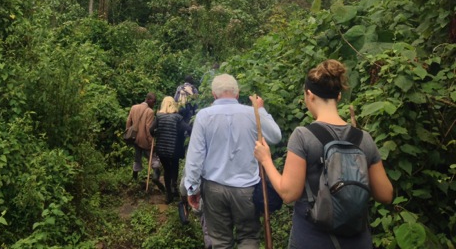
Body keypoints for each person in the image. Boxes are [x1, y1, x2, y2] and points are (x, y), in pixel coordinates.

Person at [254, 59, 394, 249]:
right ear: (338, 97)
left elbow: (288, 193)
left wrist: (266, 159)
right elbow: (386, 194)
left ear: (309, 95)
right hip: (357, 241)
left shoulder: (303, 136)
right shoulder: (363, 138)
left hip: (312, 239)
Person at [184, 74, 282, 249]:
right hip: (247, 189)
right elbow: (275, 136)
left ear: (214, 95)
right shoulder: (252, 114)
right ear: (237, 95)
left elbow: (195, 157)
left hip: (214, 188)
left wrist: (192, 188)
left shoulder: (204, 116)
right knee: (249, 237)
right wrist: (260, 110)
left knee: (220, 241)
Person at [150, 96, 192, 203]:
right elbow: (187, 128)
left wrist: (156, 134)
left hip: (162, 149)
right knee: (174, 167)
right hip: (174, 149)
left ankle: (168, 195)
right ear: (174, 104)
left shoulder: (159, 116)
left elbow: (151, 129)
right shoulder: (177, 117)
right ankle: (174, 188)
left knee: (167, 170)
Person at [126, 92, 157, 182]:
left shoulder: (134, 107)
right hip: (145, 140)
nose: (154, 104)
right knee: (153, 158)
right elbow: (148, 129)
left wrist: (128, 133)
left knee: (137, 158)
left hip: (134, 138)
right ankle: (156, 177)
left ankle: (134, 178)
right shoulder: (150, 112)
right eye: (154, 101)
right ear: (149, 100)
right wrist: (152, 143)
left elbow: (128, 121)